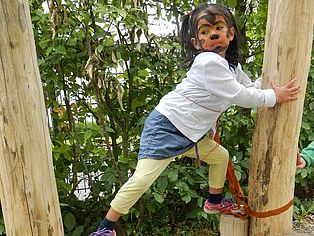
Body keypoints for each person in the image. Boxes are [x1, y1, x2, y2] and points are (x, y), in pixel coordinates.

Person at [90, 3, 300, 236]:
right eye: (204, 31)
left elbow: (249, 86)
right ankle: (105, 228)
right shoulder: (207, 63)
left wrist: (271, 78)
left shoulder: (231, 67)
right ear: (195, 43)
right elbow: (241, 96)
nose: (212, 34)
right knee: (142, 179)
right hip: (167, 127)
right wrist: (274, 96)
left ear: (230, 33)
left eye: (218, 27)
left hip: (188, 134)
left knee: (220, 156)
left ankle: (214, 201)